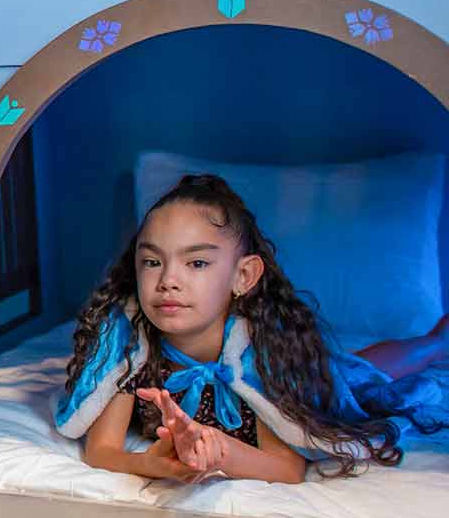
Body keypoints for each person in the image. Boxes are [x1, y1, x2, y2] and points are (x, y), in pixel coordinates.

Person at [54, 172, 448, 484]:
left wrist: (220, 450)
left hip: (315, 373)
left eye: (197, 264)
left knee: (356, 374)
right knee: (353, 367)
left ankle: (434, 342)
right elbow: (101, 451)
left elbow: (287, 467)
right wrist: (157, 465)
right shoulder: (129, 346)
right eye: (153, 262)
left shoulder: (258, 354)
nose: (168, 280)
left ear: (243, 276)